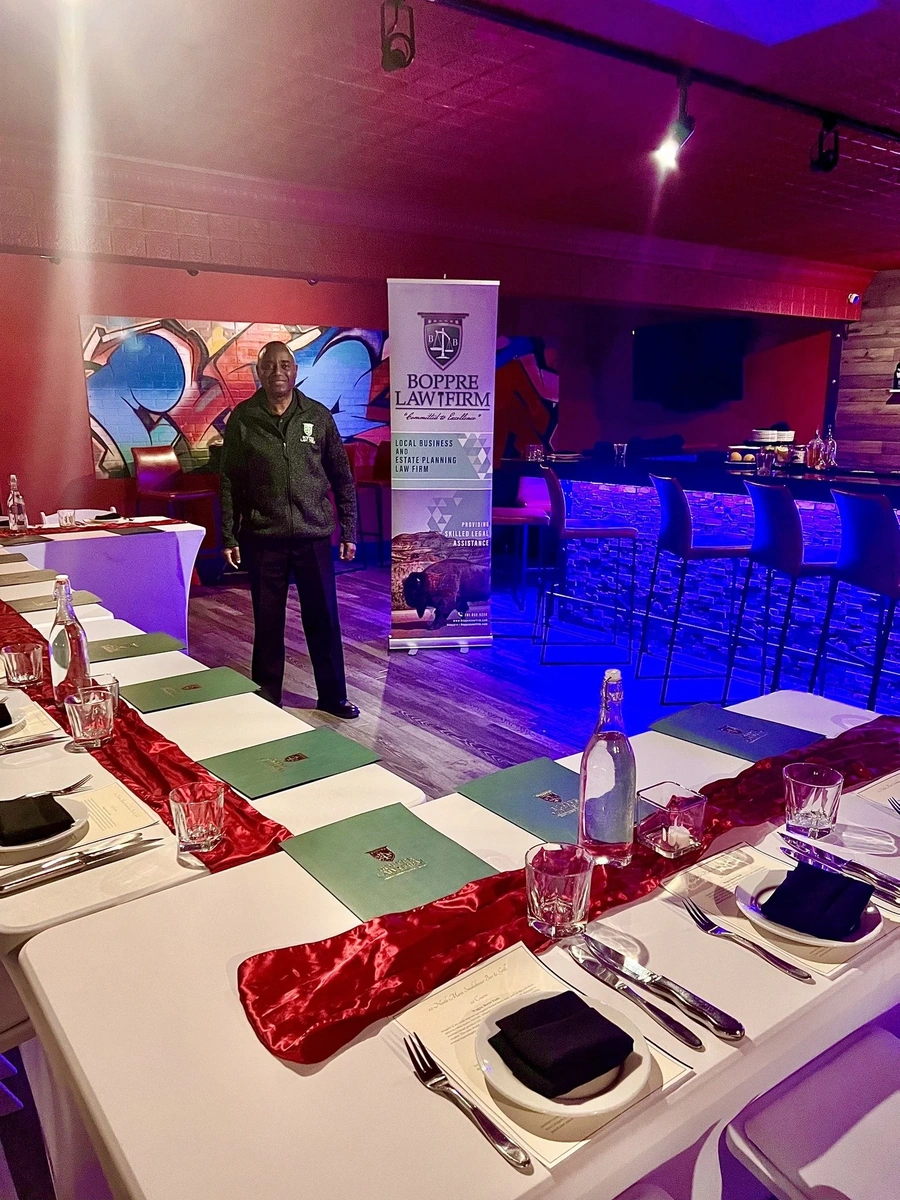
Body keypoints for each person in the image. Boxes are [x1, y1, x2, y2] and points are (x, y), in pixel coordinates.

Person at [219, 341, 359, 718]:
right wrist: (229, 535)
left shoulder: (317, 416)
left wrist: (349, 530)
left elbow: (342, 478)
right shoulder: (244, 420)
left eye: (285, 365)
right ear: (259, 372)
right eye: (270, 366)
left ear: (295, 371)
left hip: (313, 535)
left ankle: (333, 696)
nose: (278, 372)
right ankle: (267, 697)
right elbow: (229, 480)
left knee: (324, 619)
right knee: (267, 621)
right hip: (265, 537)